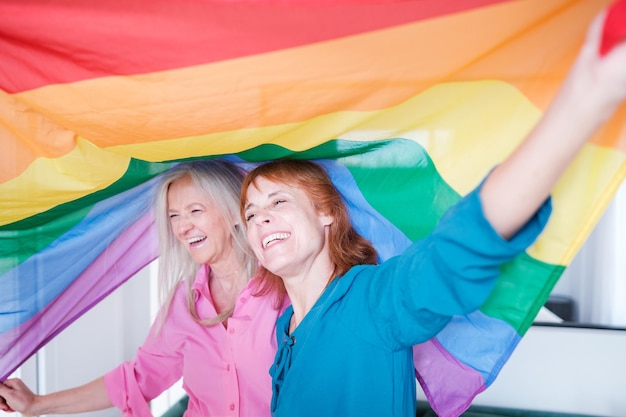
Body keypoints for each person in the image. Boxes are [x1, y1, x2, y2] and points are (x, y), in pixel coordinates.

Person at [239, 8, 626, 417]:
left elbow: (454, 254)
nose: (260, 218)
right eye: (250, 213)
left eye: (279, 202)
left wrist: (586, 99)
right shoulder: (286, 329)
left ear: (326, 215)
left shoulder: (370, 301)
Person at [0, 160, 288, 417]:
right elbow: (138, 378)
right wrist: (37, 403)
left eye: (195, 211)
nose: (183, 227)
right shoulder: (184, 302)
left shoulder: (287, 287)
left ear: (236, 213)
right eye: (174, 216)